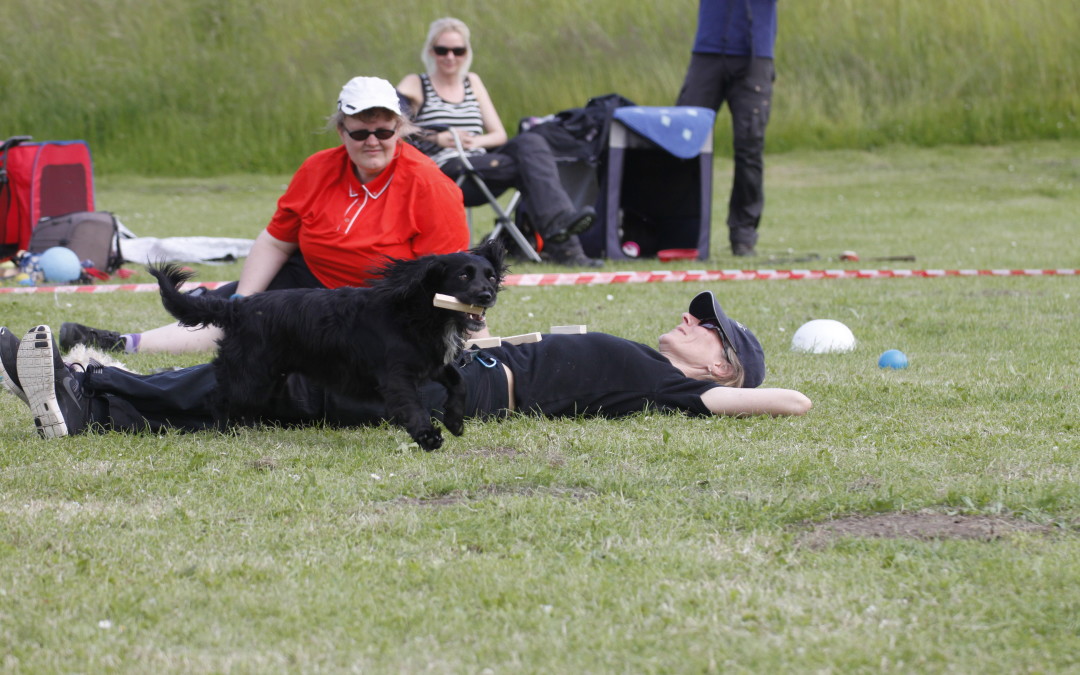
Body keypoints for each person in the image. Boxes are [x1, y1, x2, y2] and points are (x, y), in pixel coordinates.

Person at [0, 291, 811, 439]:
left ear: (723, 370)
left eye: (709, 328)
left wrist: (752, 388)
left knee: (290, 384)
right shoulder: (637, 356)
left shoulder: (673, 389)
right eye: (698, 312)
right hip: (449, 365)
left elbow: (792, 401)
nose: (692, 318)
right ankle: (91, 397)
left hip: (457, 392)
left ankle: (91, 397)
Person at [60, 76, 471, 355]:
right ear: (341, 130)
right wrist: (245, 299)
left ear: (400, 129)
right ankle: (124, 344)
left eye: (383, 131)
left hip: (377, 304)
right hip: (307, 277)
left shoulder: (431, 187)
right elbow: (276, 241)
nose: (372, 142)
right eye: (359, 132)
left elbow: (448, 281)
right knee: (226, 309)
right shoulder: (316, 169)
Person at [396, 17, 601, 268]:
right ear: (431, 52)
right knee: (533, 167)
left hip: (483, 162)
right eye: (442, 50)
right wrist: (438, 137)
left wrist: (474, 141)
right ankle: (565, 245)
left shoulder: (472, 82)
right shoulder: (416, 83)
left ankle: (559, 229)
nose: (450, 57)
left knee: (531, 142)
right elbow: (395, 125)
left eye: (458, 50)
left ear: (466, 52)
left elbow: (499, 135)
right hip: (449, 170)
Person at [676, 0, 778, 257]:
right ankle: (676, 228)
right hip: (708, 50)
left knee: (749, 146)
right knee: (680, 139)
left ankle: (743, 234)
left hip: (755, 52)